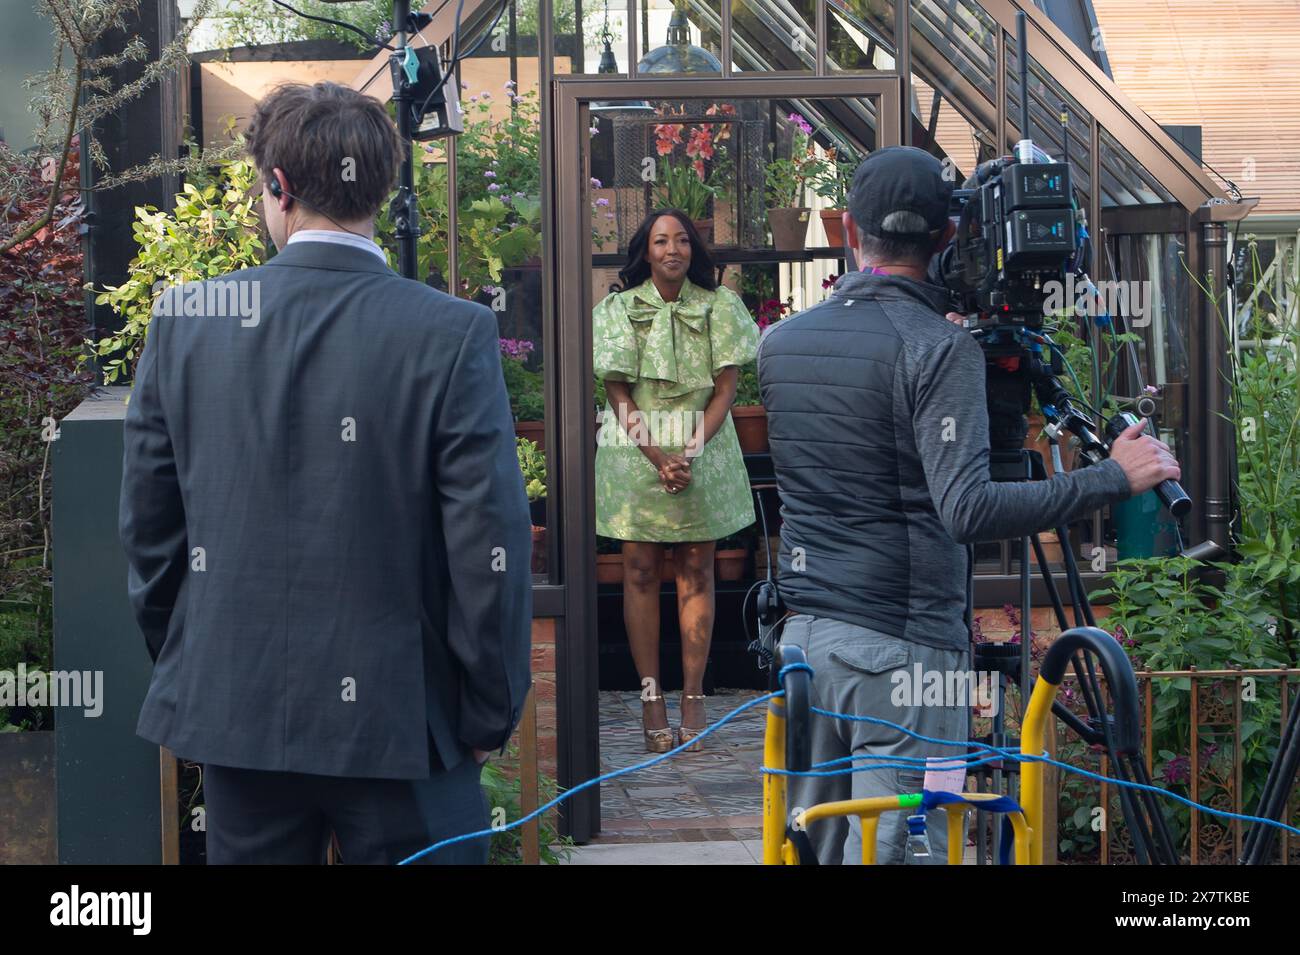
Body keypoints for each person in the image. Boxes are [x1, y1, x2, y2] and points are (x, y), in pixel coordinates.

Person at [119, 82, 533, 864]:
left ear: (276, 186)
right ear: (380, 186)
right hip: (407, 725)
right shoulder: (452, 335)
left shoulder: (184, 327)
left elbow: (150, 541)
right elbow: (491, 550)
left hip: (240, 712)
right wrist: (485, 715)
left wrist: (204, 664)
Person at [757, 146, 1181, 864]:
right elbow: (969, 509)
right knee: (892, 850)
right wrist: (1112, 477)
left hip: (805, 643)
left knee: (812, 848)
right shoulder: (937, 349)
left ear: (850, 231)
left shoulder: (780, 344)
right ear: (949, 237)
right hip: (901, 650)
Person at [593, 209, 758, 752]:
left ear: (693, 250)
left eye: (682, 240)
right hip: (635, 454)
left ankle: (693, 697)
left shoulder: (719, 306)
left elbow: (726, 391)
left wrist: (687, 452)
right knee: (638, 572)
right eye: (662, 241)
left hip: (702, 451)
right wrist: (657, 454)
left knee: (697, 571)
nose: (672, 250)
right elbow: (617, 393)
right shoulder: (617, 309)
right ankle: (650, 697)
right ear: (646, 250)